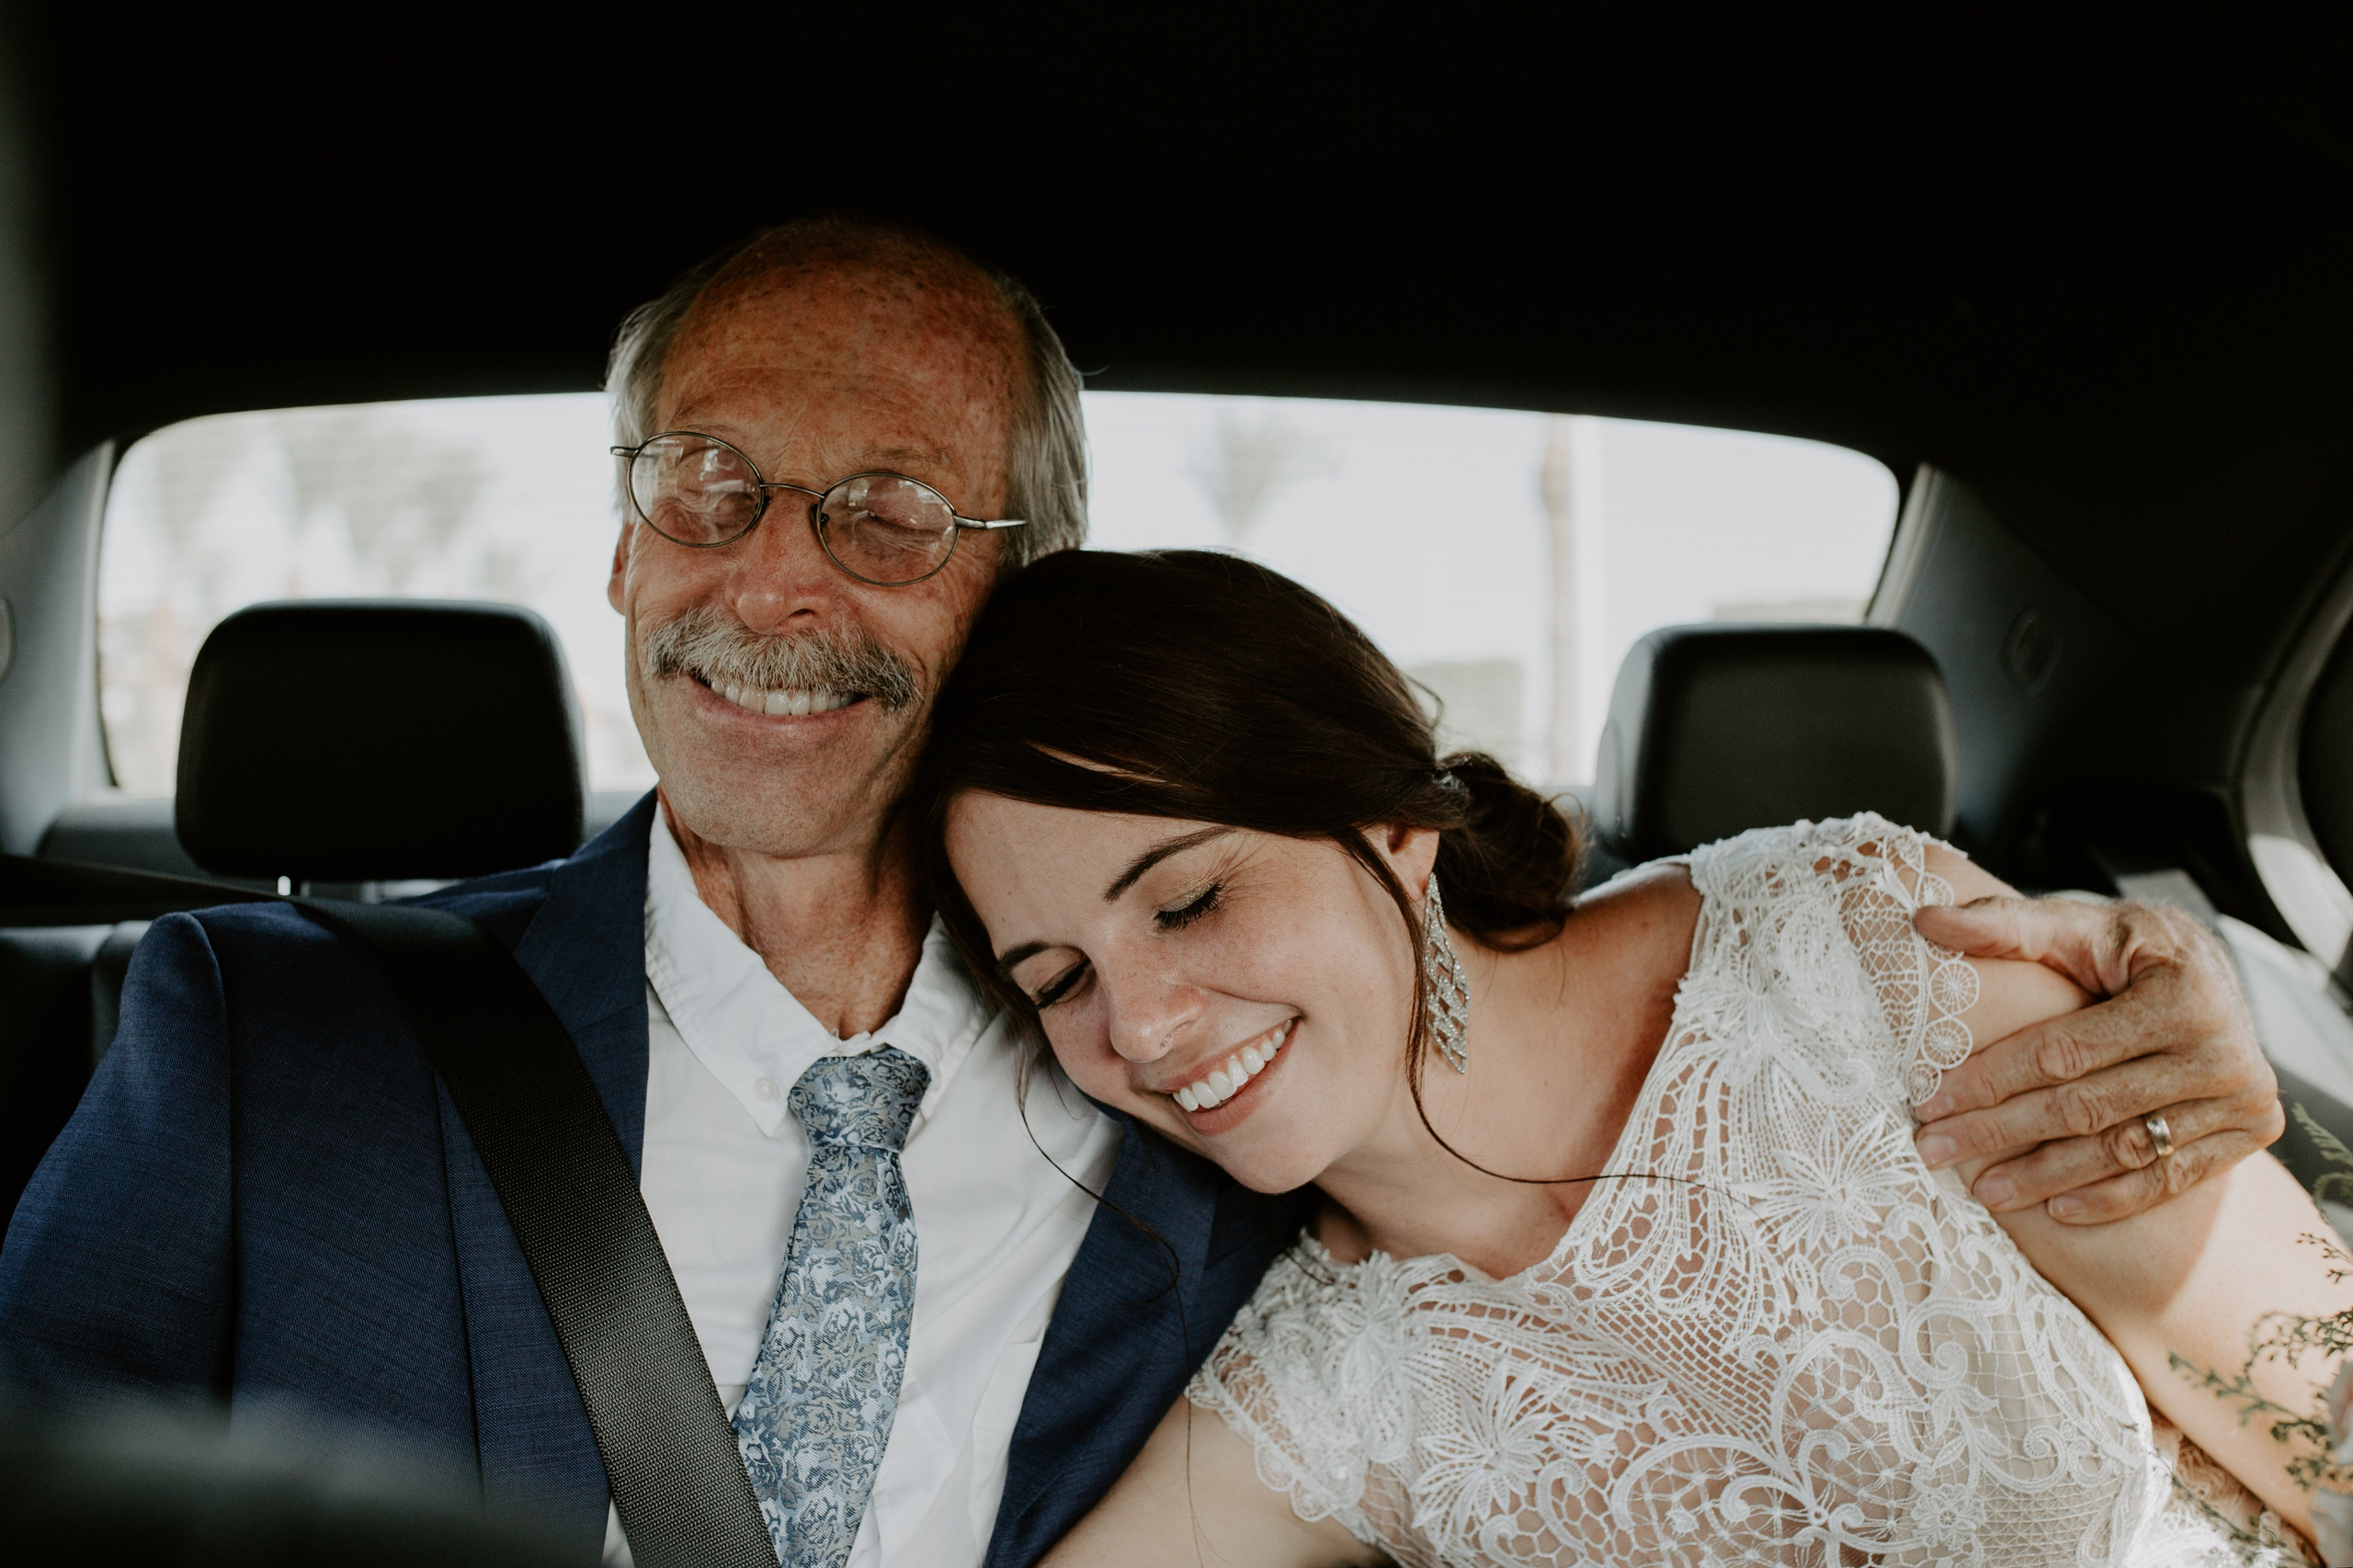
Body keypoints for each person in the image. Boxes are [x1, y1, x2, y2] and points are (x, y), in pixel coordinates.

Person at [0, 221, 2286, 1568]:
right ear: (619, 543)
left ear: (1031, 600)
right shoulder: (258, 1040)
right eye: (709, 485)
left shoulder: (1236, 1163)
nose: (772, 576)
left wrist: (2216, 1044)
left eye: (889, 509)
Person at [922, 548, 2344, 1566]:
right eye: (1059, 981)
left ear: (1394, 825)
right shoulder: (1317, 1394)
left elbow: (2327, 1425)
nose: (1145, 1026)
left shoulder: (1861, 957)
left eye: (1189, 900)